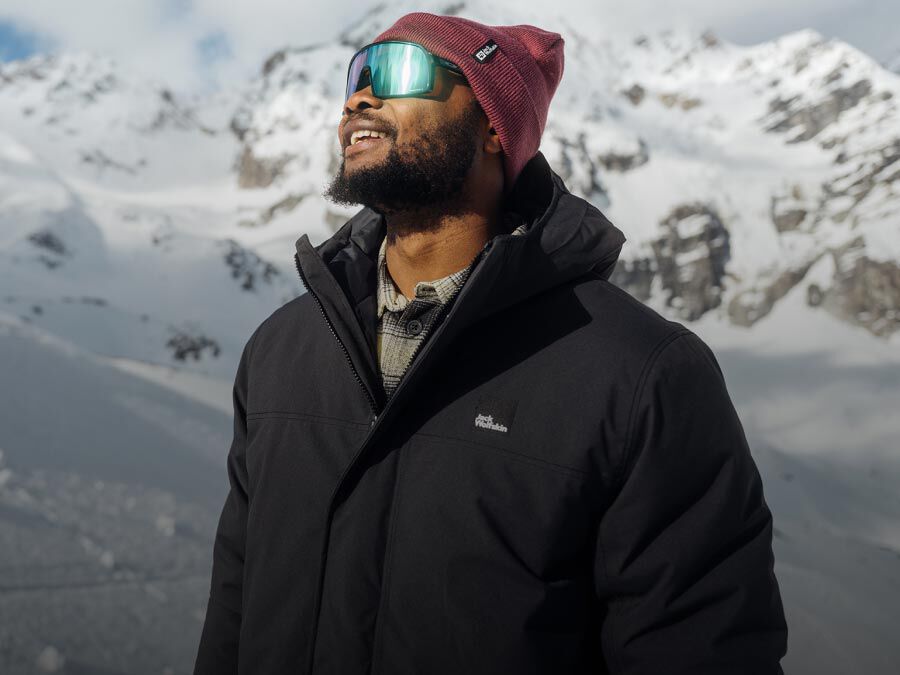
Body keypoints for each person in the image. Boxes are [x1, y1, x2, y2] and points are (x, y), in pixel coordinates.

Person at [193, 11, 788, 675]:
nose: (359, 98)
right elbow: (234, 611)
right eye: (357, 74)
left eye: (399, 72)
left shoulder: (641, 376)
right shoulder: (280, 351)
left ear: (493, 128)